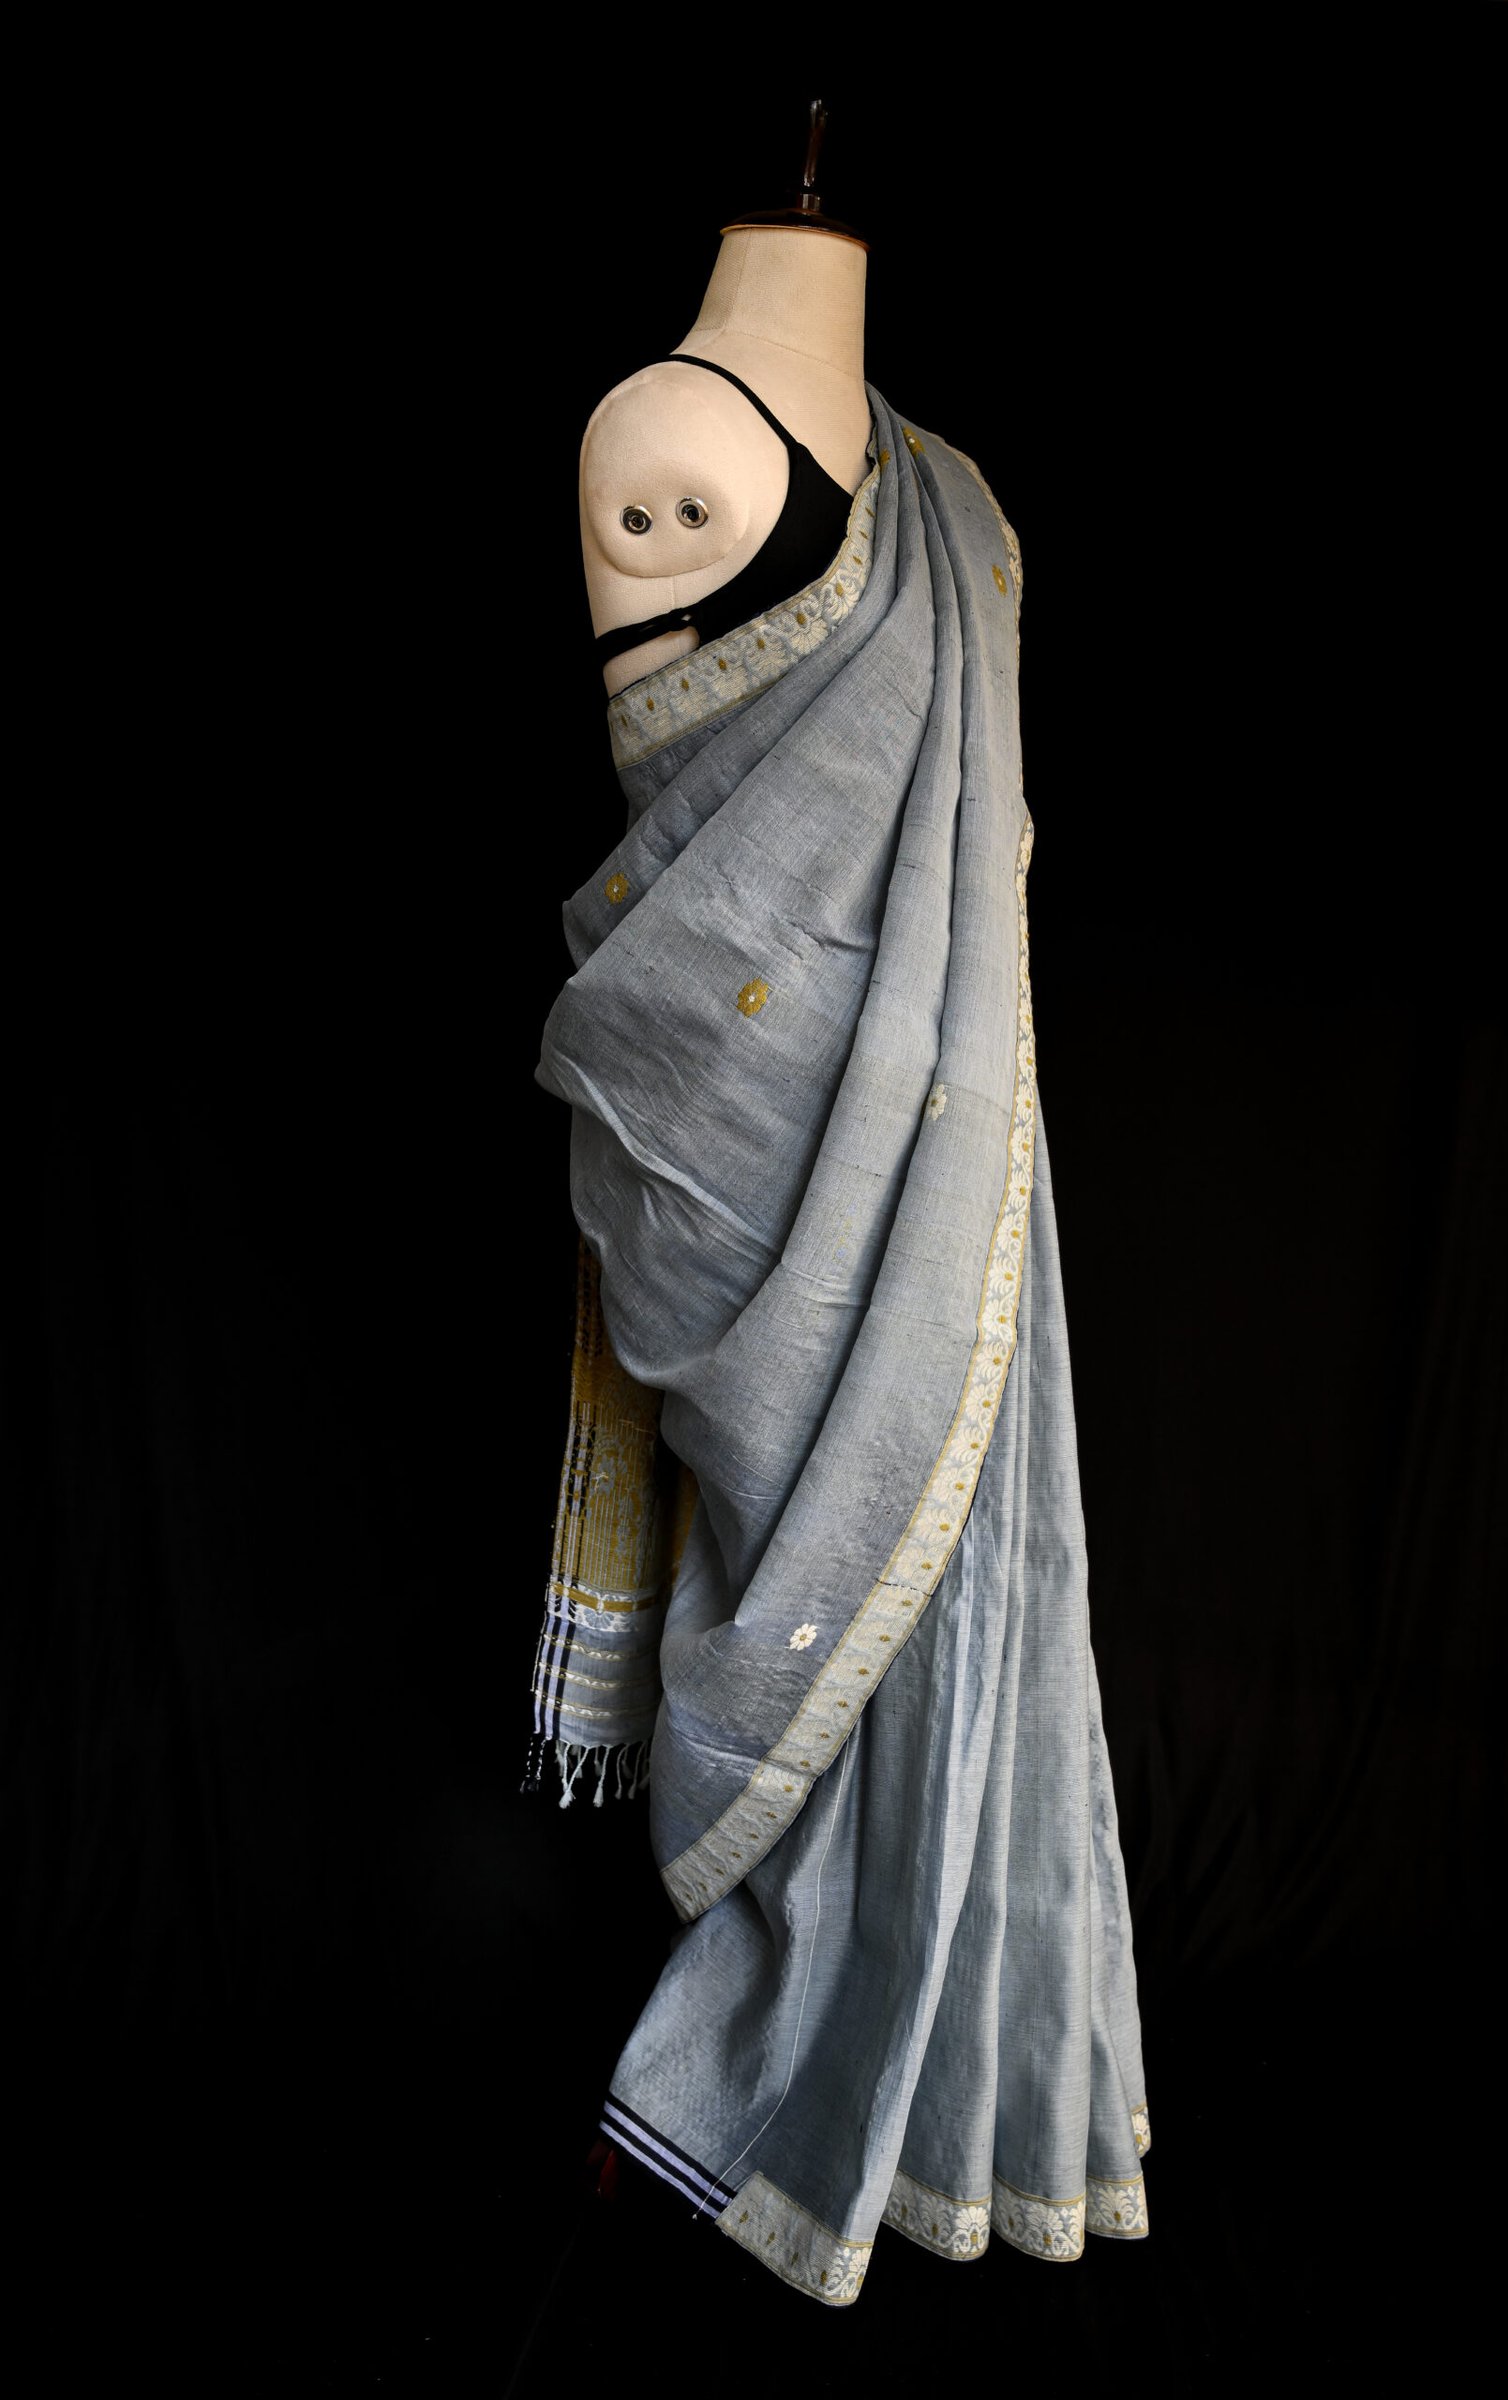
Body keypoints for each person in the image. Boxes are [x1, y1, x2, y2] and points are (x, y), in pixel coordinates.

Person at [527, 195, 1150, 2307]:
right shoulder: (664, 432)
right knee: (799, 1543)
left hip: (923, 1135)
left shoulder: (947, 502)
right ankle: (769, 2037)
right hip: (739, 1124)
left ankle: (888, 2030)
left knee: (925, 1536)